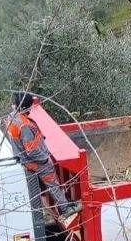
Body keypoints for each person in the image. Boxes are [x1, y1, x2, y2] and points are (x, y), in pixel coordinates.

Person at [6, 91, 81, 223]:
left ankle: (55, 207)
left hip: (23, 158)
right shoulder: (25, 126)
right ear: (26, 107)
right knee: (52, 182)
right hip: (36, 161)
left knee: (45, 184)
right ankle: (65, 208)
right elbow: (32, 150)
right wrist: (45, 159)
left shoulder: (12, 118)